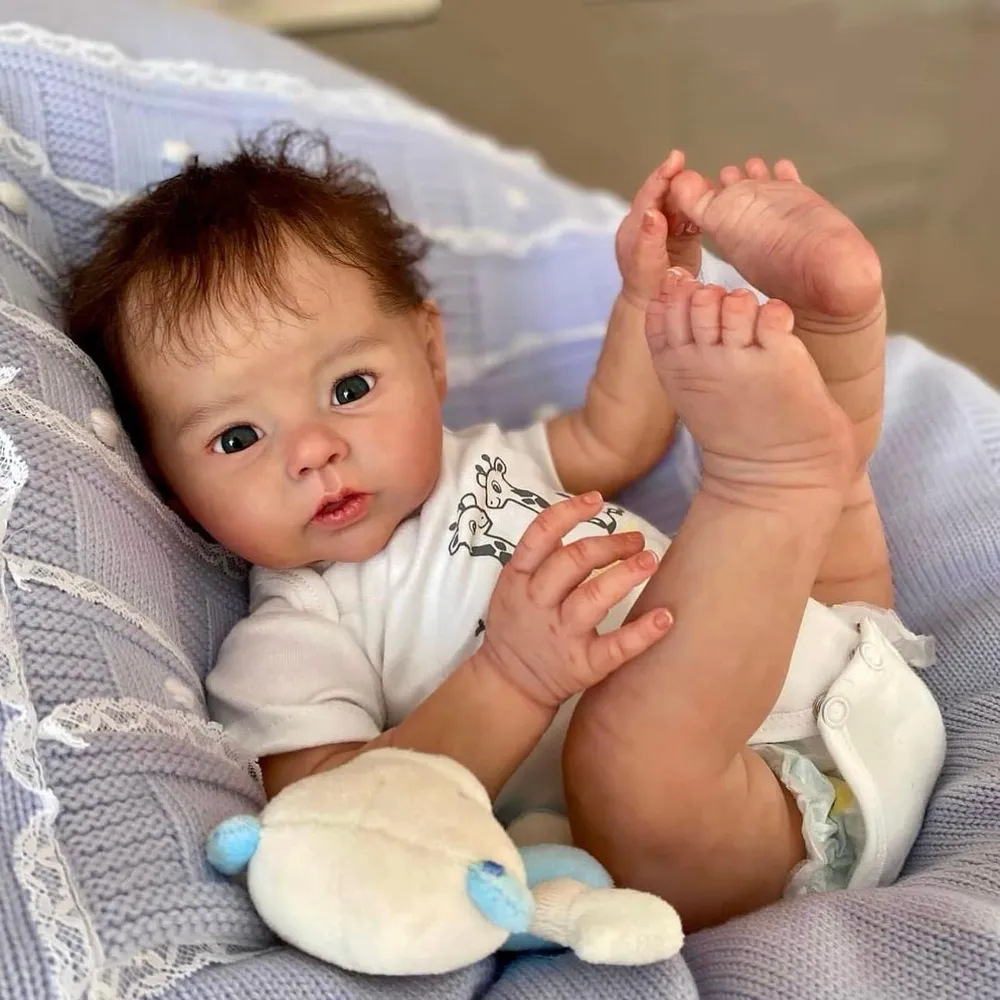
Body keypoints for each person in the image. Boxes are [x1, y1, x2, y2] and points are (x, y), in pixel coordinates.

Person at [65, 129, 942, 931]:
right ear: (170, 488)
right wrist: (512, 677)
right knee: (626, 755)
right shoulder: (293, 634)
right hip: (734, 814)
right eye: (237, 438)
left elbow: (619, 436)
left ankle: (831, 321)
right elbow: (338, 813)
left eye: (348, 389)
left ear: (430, 354)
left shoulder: (485, 455)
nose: (313, 451)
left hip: (842, 656)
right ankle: (768, 480)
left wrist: (651, 294)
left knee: (812, 526)